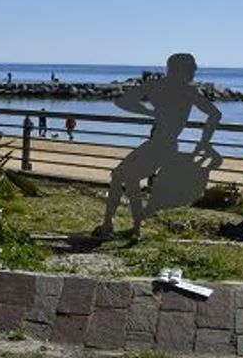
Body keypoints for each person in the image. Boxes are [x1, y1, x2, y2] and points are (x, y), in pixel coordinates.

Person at [94, 52, 221, 239]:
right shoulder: (187, 90)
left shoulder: (156, 85)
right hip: (163, 143)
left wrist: (149, 112)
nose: (195, 70)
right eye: (192, 67)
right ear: (181, 69)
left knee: (124, 177)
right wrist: (204, 140)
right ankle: (124, 227)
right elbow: (215, 114)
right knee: (124, 177)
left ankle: (123, 227)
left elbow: (122, 101)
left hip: (161, 144)